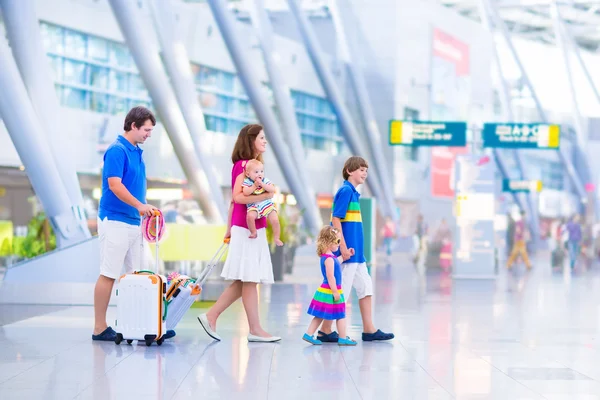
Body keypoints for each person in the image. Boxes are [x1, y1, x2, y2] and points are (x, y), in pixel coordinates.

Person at [92, 106, 174, 340]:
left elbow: (135, 187)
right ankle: (99, 328)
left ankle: (139, 325)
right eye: (146, 130)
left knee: (137, 276)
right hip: (115, 221)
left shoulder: (137, 151)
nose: (149, 134)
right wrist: (140, 206)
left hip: (133, 222)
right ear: (133, 126)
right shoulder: (117, 150)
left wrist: (144, 210)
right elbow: (115, 185)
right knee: (108, 273)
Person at [198, 124, 280, 343]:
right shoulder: (244, 166)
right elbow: (238, 198)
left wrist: (228, 228)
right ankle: (254, 329)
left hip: (248, 227)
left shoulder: (251, 166)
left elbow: (233, 204)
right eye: (262, 138)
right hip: (247, 229)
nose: (265, 142)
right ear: (250, 139)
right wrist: (264, 198)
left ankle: (211, 316)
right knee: (249, 278)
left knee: (244, 279)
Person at [318, 156, 394, 342]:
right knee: (339, 290)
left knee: (366, 288)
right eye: (361, 170)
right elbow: (336, 219)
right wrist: (342, 247)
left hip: (357, 255)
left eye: (366, 171)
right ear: (350, 171)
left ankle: (369, 329)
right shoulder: (345, 191)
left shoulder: (353, 193)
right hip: (347, 254)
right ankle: (326, 330)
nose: (364, 173)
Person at [303, 226, 356, 346]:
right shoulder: (329, 259)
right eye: (337, 241)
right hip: (331, 291)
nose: (339, 244)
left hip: (325, 291)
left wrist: (347, 255)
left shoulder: (328, 257)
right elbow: (331, 276)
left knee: (319, 314)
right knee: (341, 314)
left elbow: (337, 262)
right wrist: (335, 292)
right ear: (328, 242)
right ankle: (342, 338)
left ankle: (309, 334)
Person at [242, 159, 283, 246]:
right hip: (254, 206)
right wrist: (254, 186)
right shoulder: (247, 182)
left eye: (261, 171)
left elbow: (272, 189)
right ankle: (253, 232)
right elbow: (246, 192)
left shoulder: (265, 180)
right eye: (256, 172)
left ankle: (276, 237)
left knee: (275, 220)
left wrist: (262, 185)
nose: (259, 174)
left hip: (267, 204)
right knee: (249, 217)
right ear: (248, 174)